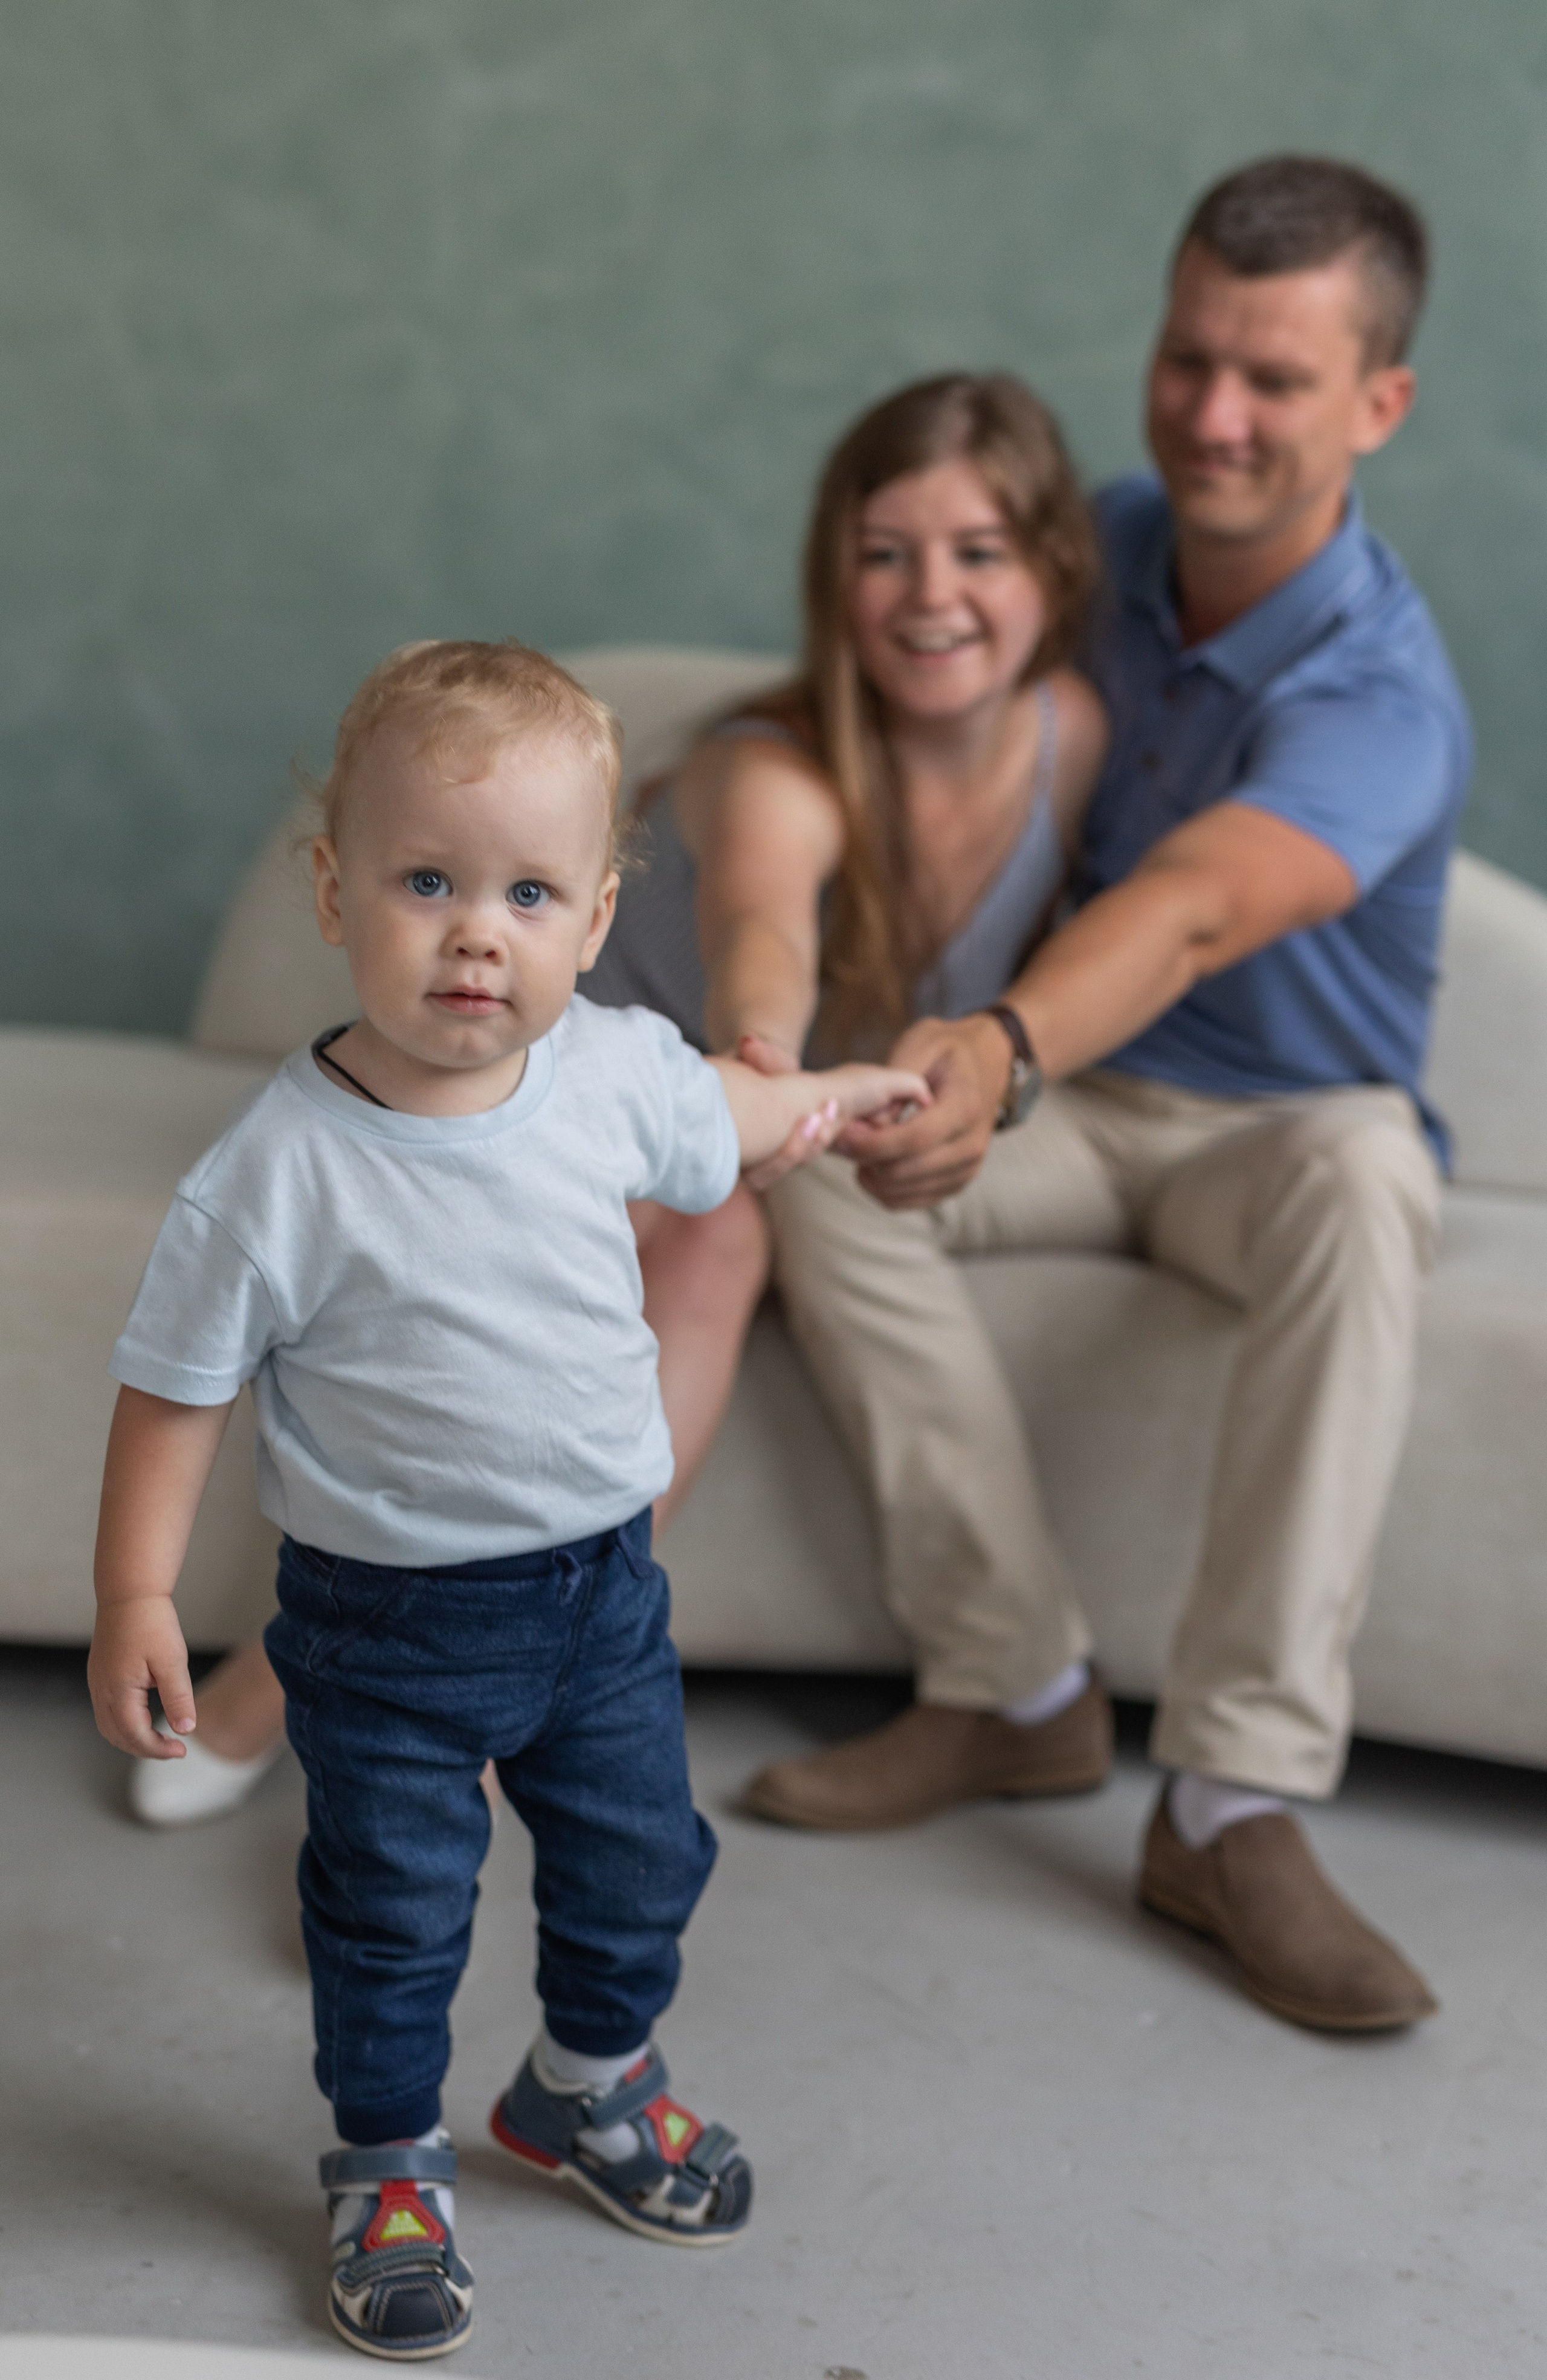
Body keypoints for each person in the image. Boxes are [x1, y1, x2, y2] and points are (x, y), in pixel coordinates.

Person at [86, 639, 927, 2361]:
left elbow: (733, 1116)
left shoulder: (613, 1071)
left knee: (643, 1867)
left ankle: (589, 2084)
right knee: (391, 1919)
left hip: (604, 1600)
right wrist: (137, 1597)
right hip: (385, 1630)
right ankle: (390, 2162)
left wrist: (835, 1096)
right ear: (334, 892)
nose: (480, 929)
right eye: (427, 881)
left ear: (600, 914)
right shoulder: (277, 1168)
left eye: (530, 891)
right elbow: (175, 1389)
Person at [126, 365, 1113, 1825]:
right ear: (833, 574)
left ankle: (476, 1687)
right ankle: (344, 1682)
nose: (930, 593)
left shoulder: (1072, 742)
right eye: (884, 552)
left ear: (1052, 569)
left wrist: (811, 1102)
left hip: (719, 1116)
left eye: (977, 551)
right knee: (665, 1241)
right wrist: (766, 1056)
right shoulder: (769, 761)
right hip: (581, 1059)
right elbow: (758, 935)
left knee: (717, 1228)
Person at [745, 156, 1471, 2037]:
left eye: (1277, 380)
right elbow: (899, 676)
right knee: (820, 1156)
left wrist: (993, 1043)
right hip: (1074, 1101)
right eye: (1186, 357)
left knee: (1369, 1178)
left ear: (1378, 404)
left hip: (1264, 1125)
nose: (1214, 415)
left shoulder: (1380, 685)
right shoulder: (1106, 544)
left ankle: (1233, 1803)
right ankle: (1014, 1691)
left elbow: (1195, 905)